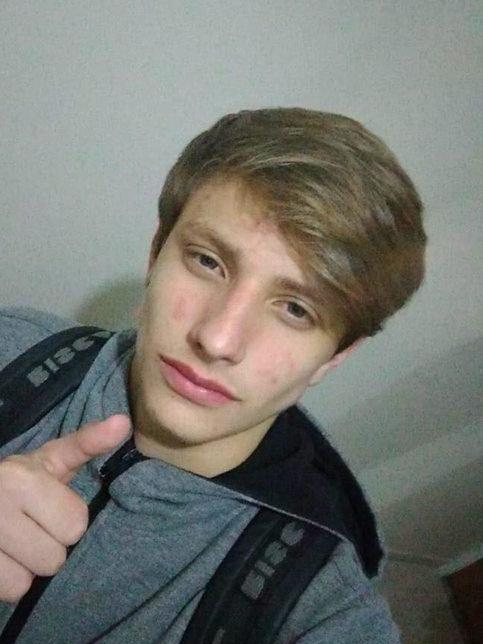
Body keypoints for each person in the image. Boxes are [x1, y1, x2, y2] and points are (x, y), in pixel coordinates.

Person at [0, 107, 426, 642]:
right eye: (207, 262)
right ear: (156, 254)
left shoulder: (317, 609)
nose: (217, 339)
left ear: (335, 356)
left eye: (296, 309)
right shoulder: (11, 344)